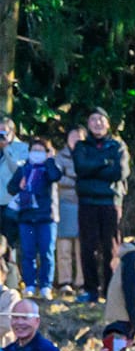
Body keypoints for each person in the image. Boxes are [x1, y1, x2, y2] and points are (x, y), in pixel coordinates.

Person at [72, 108, 129, 303]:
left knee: (110, 247)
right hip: (87, 201)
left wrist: (94, 167)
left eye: (101, 120)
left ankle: (110, 290)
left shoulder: (117, 145)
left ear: (108, 123)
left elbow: (120, 172)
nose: (97, 123)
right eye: (93, 119)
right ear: (88, 124)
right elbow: (81, 168)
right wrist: (105, 162)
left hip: (110, 202)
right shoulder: (81, 146)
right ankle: (91, 290)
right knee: (88, 247)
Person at [7, 137, 63, 298]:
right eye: (34, 150)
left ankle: (46, 285)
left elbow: (55, 176)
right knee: (28, 252)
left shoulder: (49, 168)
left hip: (46, 218)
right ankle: (29, 284)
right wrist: (20, 185)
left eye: (41, 150)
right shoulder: (24, 168)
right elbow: (11, 188)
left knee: (47, 252)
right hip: (27, 218)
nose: (36, 154)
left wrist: (50, 159)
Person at [54, 129, 82, 295]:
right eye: (73, 136)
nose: (76, 140)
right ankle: (65, 281)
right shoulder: (60, 156)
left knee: (82, 246)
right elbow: (56, 177)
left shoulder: (88, 154)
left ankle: (81, 282)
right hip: (64, 204)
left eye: (79, 137)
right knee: (64, 246)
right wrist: (75, 179)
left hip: (84, 204)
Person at [0, 117, 27, 281]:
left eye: (3, 132)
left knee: (11, 244)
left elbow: (18, 171)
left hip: (12, 203)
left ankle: (13, 280)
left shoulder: (22, 148)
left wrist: (7, 149)